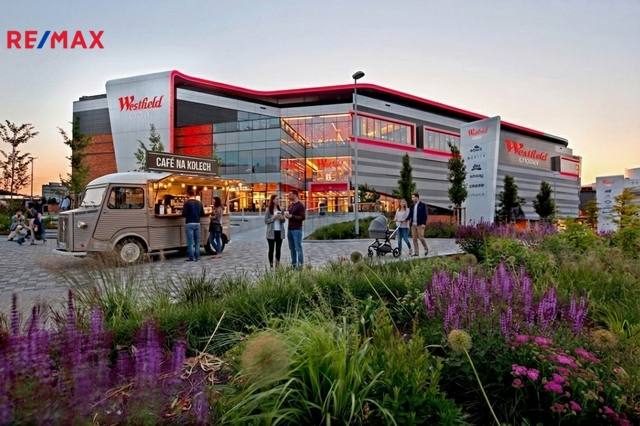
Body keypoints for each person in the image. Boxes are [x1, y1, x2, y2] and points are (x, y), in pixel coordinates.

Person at [182, 188, 205, 262]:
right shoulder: (199, 203)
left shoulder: (186, 203)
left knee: (190, 241)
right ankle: (197, 256)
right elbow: (202, 213)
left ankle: (191, 257)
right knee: (197, 241)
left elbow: (184, 214)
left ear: (188, 195)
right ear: (194, 195)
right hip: (197, 223)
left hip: (189, 223)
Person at [285, 189, 305, 268]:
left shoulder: (300, 205)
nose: (288, 196)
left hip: (297, 230)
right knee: (291, 248)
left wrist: (292, 216)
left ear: (295, 195)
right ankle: (293, 264)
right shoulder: (290, 205)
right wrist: (287, 216)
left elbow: (303, 217)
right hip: (290, 229)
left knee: (298, 248)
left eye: (290, 195)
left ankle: (300, 265)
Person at [264, 194, 286, 269]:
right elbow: (266, 221)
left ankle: (277, 264)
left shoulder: (281, 209)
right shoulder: (268, 210)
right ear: (273, 200)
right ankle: (271, 265)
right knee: (271, 249)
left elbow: (283, 221)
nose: (278, 200)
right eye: (276, 199)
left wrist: (281, 218)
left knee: (278, 249)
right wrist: (273, 218)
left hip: (279, 231)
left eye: (278, 199)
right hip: (271, 232)